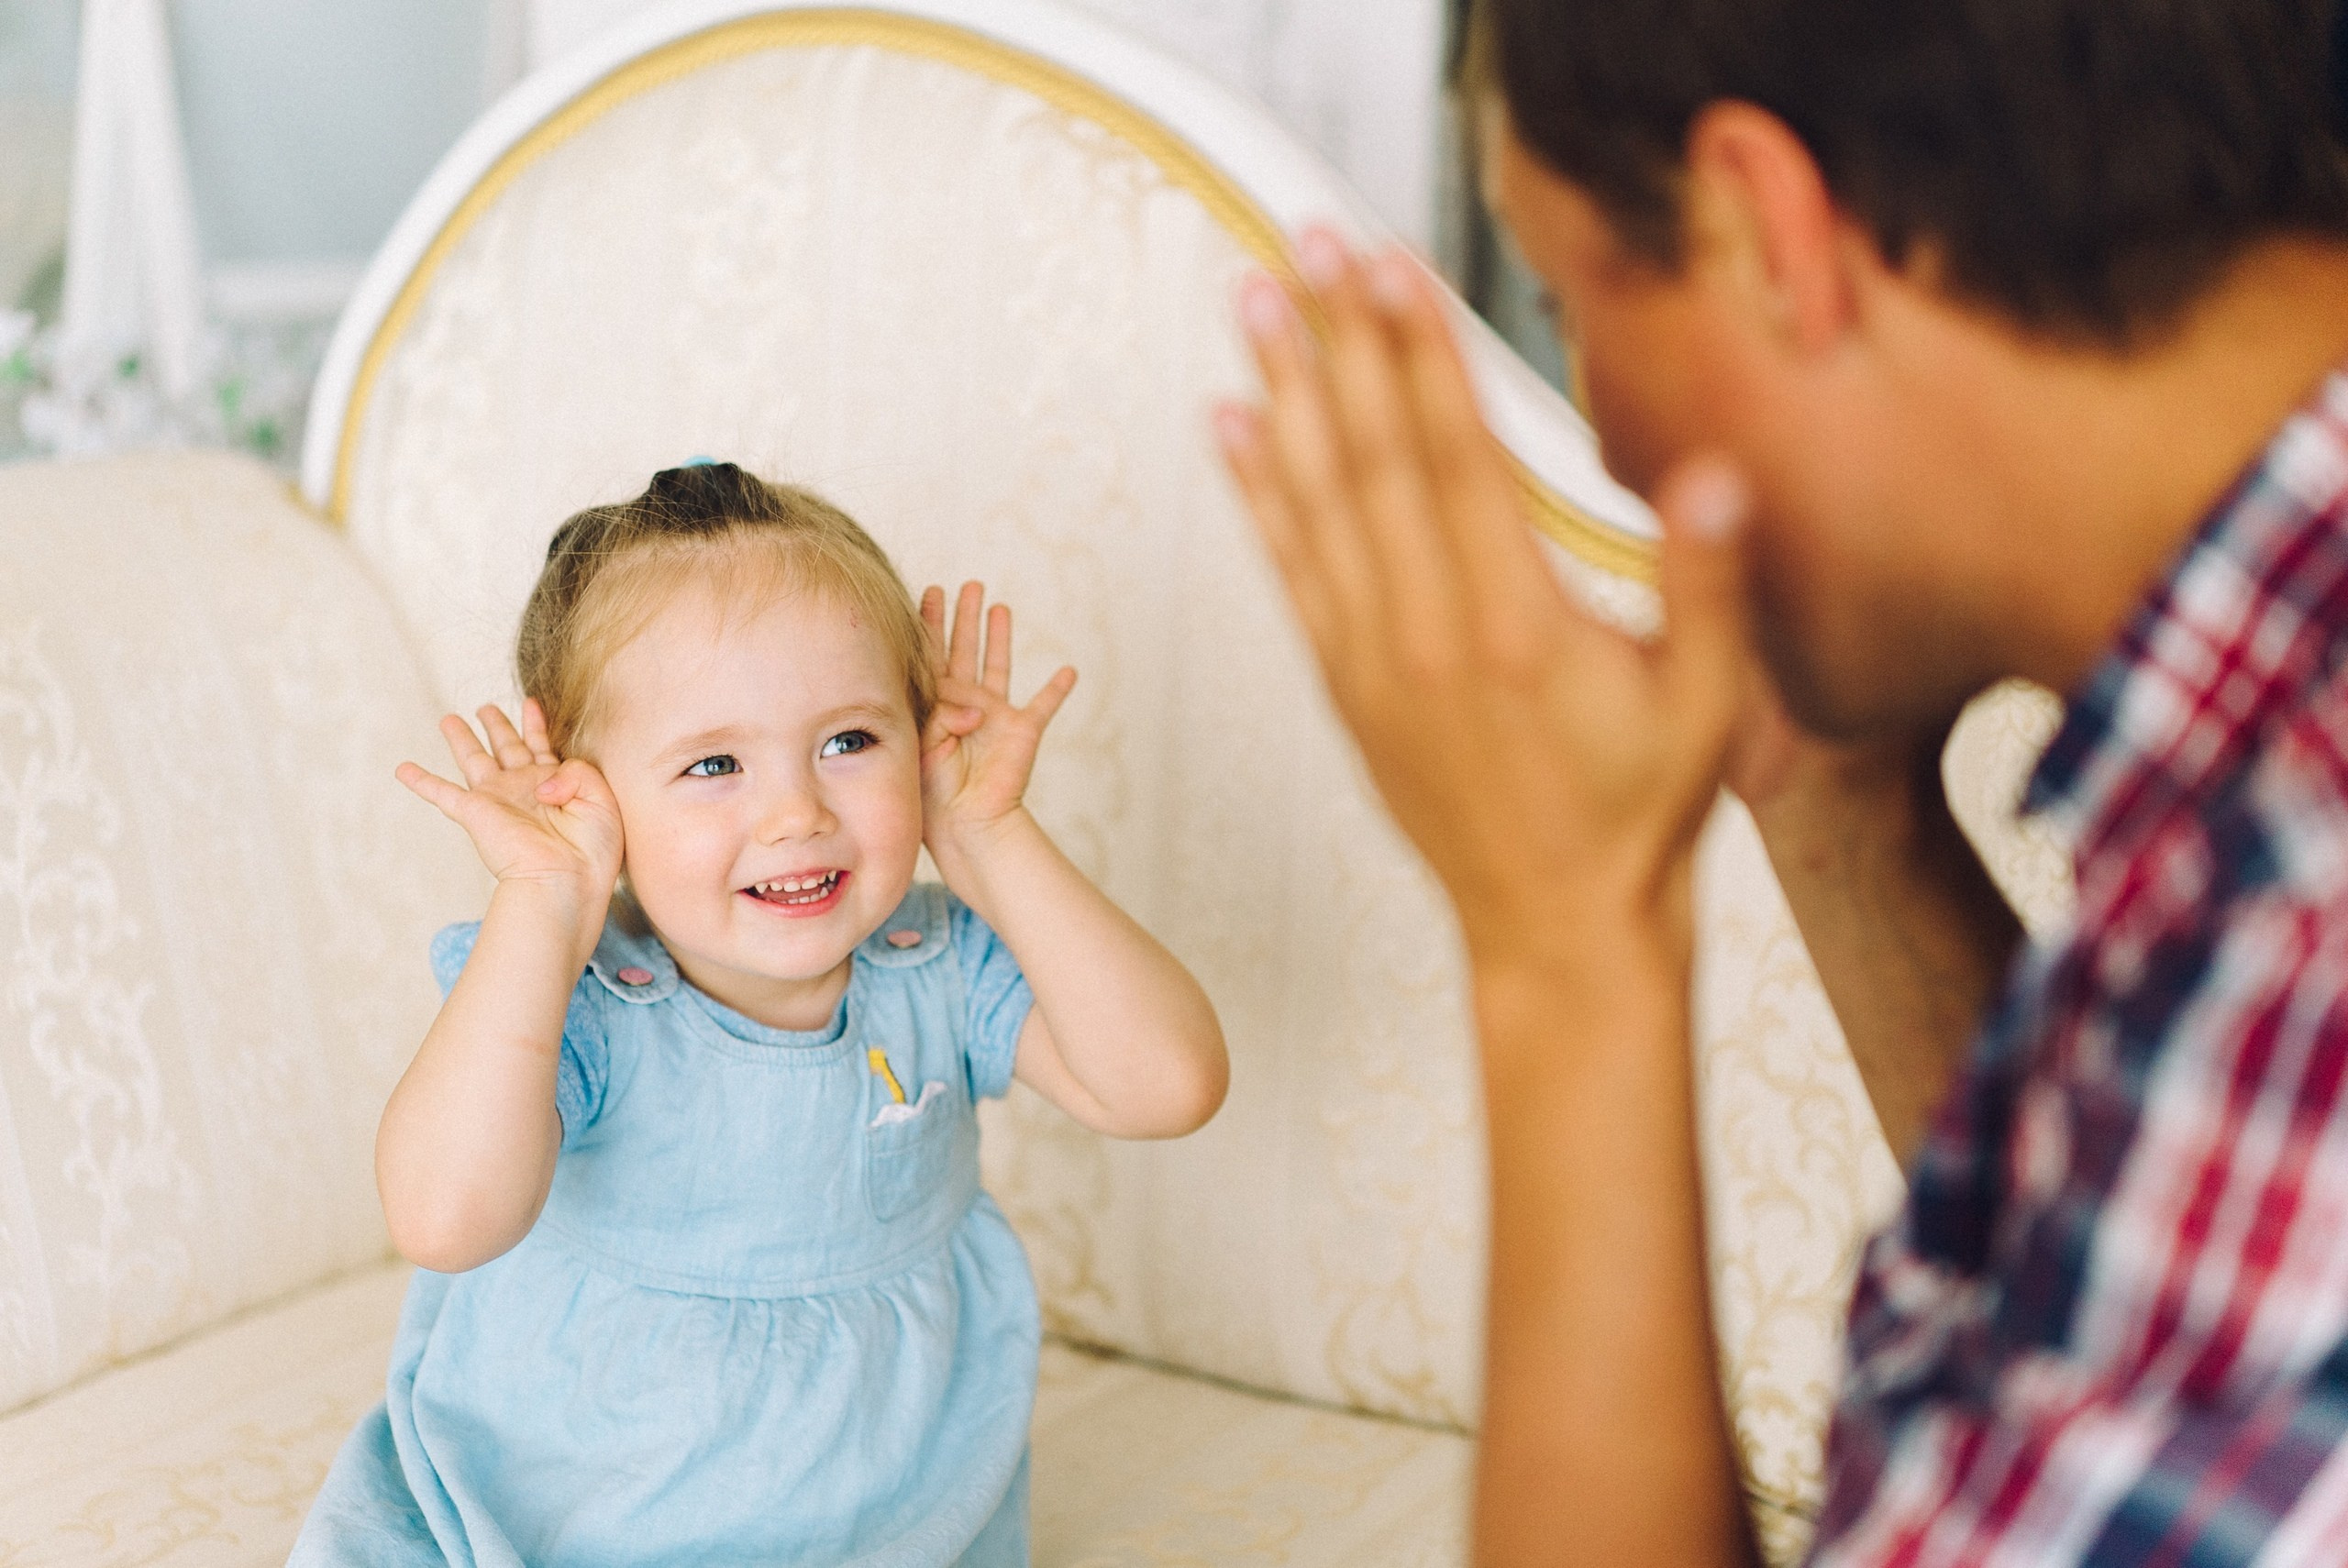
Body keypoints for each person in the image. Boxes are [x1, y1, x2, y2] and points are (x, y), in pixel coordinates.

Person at [1213, 0, 2348, 1562]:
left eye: (1566, 301)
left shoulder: (2298, 945)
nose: (1609, 444)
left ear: (1764, 232)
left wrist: (1568, 947)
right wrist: (1850, 830)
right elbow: (2068, 1356)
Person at [290, 463, 1226, 1565]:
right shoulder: (574, 997)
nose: (796, 812)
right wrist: (543, 904)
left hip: (886, 1526)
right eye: (715, 763)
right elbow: (444, 1221)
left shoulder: (937, 963)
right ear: (585, 795)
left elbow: (1169, 1086)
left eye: (850, 742)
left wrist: (989, 836)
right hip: (564, 1520)